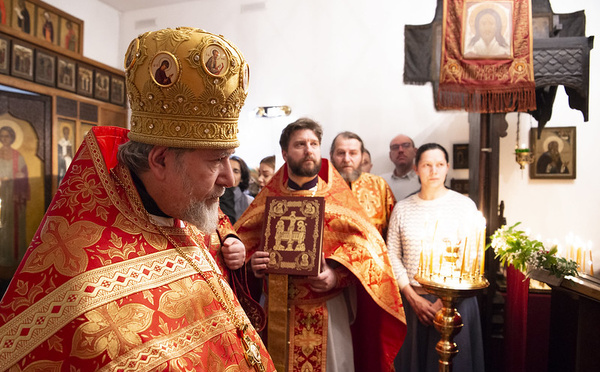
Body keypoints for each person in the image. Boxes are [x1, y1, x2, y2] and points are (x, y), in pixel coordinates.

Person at [0, 27, 274, 371]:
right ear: (159, 161)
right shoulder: (86, 288)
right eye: (215, 160)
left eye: (228, 158)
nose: (230, 178)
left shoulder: (181, 212)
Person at [235, 118, 406, 372]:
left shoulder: (338, 199)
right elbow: (242, 245)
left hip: (328, 310)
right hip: (280, 312)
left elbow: (369, 252)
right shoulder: (268, 198)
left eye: (314, 143)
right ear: (284, 153)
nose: (309, 150)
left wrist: (337, 277)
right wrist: (253, 265)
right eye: (300, 144)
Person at [387, 143, 485, 372]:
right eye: (427, 165)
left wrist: (447, 301)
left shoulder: (463, 206)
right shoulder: (402, 208)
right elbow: (392, 253)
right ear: (416, 169)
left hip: (456, 303)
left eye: (439, 165)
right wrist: (412, 297)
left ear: (447, 167)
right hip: (414, 303)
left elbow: (470, 255)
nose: (434, 171)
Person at [330, 131, 395, 238]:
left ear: (362, 156)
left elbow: (394, 230)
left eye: (353, 153)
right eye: (341, 153)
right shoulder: (321, 186)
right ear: (331, 156)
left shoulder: (379, 185)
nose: (346, 159)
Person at [0, 125, 29, 268]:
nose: (4, 139)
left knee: (14, 224)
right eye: (2, 136)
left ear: (12, 138)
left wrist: (21, 176)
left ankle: (16, 257)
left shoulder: (18, 156)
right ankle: (3, 256)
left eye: (7, 136)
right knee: (3, 223)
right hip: (1, 194)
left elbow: (24, 175)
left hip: (14, 195)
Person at [381, 134, 420, 201]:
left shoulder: (425, 179)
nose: (400, 150)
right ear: (390, 156)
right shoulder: (381, 182)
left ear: (415, 152)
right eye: (395, 147)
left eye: (406, 146)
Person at [220, 155, 254, 224]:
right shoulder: (214, 197)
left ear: (242, 178)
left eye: (235, 171)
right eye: (227, 169)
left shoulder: (249, 202)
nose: (230, 174)